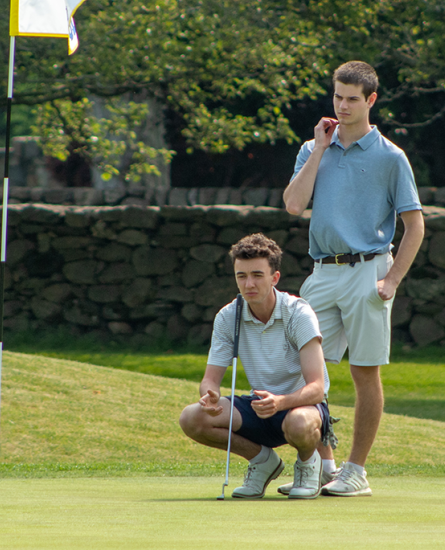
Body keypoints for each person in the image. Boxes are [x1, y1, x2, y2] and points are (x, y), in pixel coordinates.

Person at [283, 60, 425, 497]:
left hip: (370, 271)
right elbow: (293, 204)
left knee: (365, 373)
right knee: (305, 372)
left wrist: (392, 280)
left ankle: (356, 471)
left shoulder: (390, 157)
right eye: (337, 97)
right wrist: (321, 149)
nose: (342, 106)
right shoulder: (313, 149)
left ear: (371, 101)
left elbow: (414, 225)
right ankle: (325, 465)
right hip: (323, 271)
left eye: (352, 99)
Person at [179, 233, 332, 499]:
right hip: (258, 406)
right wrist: (209, 394)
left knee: (298, 422)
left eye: (257, 275)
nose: (248, 284)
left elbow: (317, 388)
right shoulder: (228, 316)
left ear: (275, 278)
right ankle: (263, 462)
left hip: (300, 407)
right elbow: (210, 379)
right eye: (241, 276)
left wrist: (281, 402)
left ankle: (309, 465)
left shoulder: (299, 312)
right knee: (192, 417)